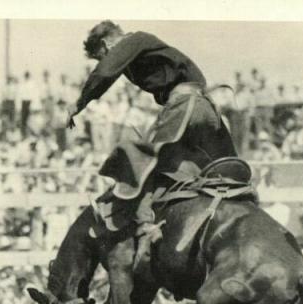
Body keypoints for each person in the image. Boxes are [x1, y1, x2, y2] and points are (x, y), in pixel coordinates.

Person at [65, 20, 238, 271]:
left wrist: (79, 104)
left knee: (141, 162)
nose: (105, 62)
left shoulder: (130, 42)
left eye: (101, 56)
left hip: (184, 106)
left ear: (107, 44)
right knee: (215, 169)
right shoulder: (142, 46)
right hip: (205, 109)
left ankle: (147, 226)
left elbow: (105, 72)